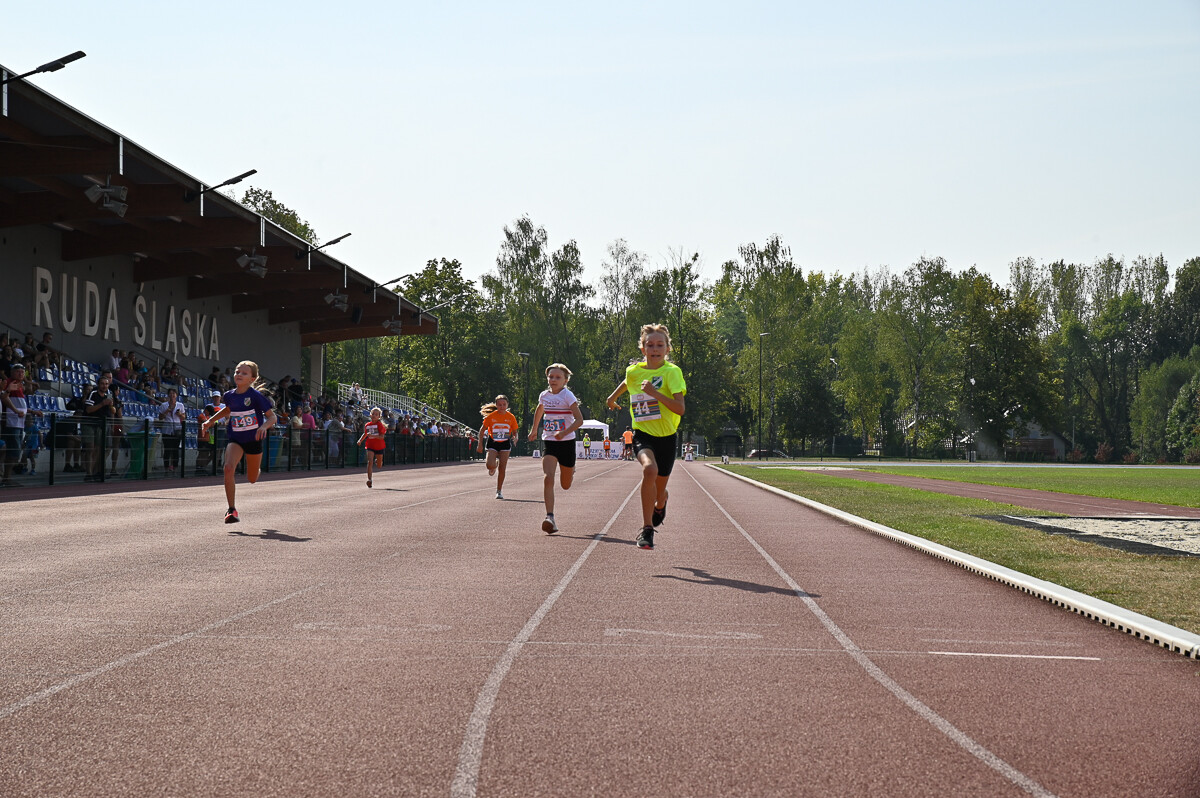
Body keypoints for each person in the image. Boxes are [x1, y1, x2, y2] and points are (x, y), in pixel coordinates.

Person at [606, 323, 687, 551]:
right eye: (649, 344)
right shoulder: (634, 371)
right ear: (643, 349)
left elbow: (680, 409)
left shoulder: (672, 372)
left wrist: (655, 393)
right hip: (642, 433)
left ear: (667, 348)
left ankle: (661, 502)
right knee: (649, 470)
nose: (655, 348)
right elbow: (627, 382)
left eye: (660, 344)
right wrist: (611, 398)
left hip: (667, 436)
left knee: (660, 490)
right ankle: (647, 529)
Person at [200, 360, 277, 524]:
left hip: (253, 440)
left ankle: (256, 470)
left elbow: (272, 417)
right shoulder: (229, 396)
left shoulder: (256, 397)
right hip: (235, 439)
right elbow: (228, 410)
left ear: (252, 379)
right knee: (228, 468)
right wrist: (209, 422)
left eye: (244, 373)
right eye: (237, 372)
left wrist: (263, 427)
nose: (239, 375)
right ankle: (231, 510)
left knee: (252, 479)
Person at [527, 363, 583, 534]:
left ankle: (571, 470)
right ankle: (549, 516)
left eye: (558, 377)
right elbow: (540, 409)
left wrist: (564, 432)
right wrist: (534, 429)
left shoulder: (568, 396)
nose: (553, 380)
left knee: (565, 485)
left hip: (566, 442)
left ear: (565, 380)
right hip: (550, 442)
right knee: (548, 477)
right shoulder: (544, 395)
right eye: (551, 377)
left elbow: (579, 420)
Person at [478, 394, 518, 499]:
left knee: (503, 468)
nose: (502, 406)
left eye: (504, 404)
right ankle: (493, 465)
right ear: (496, 405)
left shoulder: (511, 417)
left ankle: (499, 490)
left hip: (505, 443)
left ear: (507, 404)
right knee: (489, 465)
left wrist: (515, 437)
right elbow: (482, 430)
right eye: (499, 404)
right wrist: (480, 444)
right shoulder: (491, 416)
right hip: (493, 442)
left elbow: (515, 431)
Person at [1, 362, 29, 486]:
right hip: (12, 422)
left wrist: (31, 411)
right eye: (18, 371)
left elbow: (20, 403)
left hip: (19, 422)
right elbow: (4, 398)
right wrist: (15, 411)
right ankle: (6, 478)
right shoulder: (9, 383)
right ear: (12, 372)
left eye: (22, 372)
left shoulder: (20, 385)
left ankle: (7, 477)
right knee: (13, 451)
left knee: (14, 450)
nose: (21, 373)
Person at [357, 406, 387, 488]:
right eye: (373, 414)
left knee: (379, 466)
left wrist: (373, 435)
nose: (374, 415)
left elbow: (382, 437)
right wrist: (360, 440)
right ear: (370, 415)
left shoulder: (380, 425)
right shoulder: (367, 425)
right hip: (370, 446)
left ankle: (378, 461)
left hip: (379, 446)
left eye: (376, 414)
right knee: (370, 462)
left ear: (379, 417)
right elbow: (365, 434)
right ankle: (369, 480)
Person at [158, 387, 186, 473]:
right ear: (168, 395)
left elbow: (184, 417)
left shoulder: (180, 405)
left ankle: (175, 466)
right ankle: (166, 467)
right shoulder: (164, 405)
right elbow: (160, 417)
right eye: (170, 393)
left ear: (176, 395)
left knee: (175, 450)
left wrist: (180, 414)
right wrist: (167, 411)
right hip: (167, 430)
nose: (172, 395)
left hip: (177, 429)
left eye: (174, 393)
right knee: (167, 449)